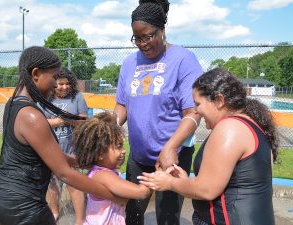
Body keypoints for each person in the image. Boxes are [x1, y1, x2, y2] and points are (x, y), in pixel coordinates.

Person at [0, 46, 119, 225]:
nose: (56, 84)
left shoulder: (14, 103)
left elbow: (43, 153)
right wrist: (112, 195)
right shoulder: (31, 116)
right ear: (36, 74)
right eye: (54, 77)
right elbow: (64, 174)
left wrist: (79, 162)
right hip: (22, 207)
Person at [138, 68, 278, 225]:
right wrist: (185, 181)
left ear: (219, 100)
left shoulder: (229, 128)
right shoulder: (253, 125)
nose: (196, 111)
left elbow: (206, 190)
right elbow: (239, 182)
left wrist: (168, 182)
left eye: (198, 104)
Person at [114, 0, 203, 224]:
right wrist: (108, 128)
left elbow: (193, 112)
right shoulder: (129, 63)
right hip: (139, 156)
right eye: (137, 38)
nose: (143, 44)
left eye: (149, 36)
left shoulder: (184, 59)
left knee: (167, 217)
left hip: (172, 157)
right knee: (131, 214)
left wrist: (171, 146)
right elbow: (122, 105)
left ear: (162, 30)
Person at [72, 112, 152, 225]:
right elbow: (141, 192)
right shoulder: (103, 175)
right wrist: (159, 174)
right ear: (100, 153)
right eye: (118, 147)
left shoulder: (99, 172)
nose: (124, 150)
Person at [42, 67, 87, 224]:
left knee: (75, 186)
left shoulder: (77, 97)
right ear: (53, 84)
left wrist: (68, 119)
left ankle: (80, 219)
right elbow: (40, 123)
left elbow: (83, 121)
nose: (65, 87)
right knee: (53, 186)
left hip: (72, 150)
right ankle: (54, 213)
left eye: (68, 84)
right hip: (51, 151)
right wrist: (61, 120)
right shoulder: (45, 98)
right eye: (60, 84)